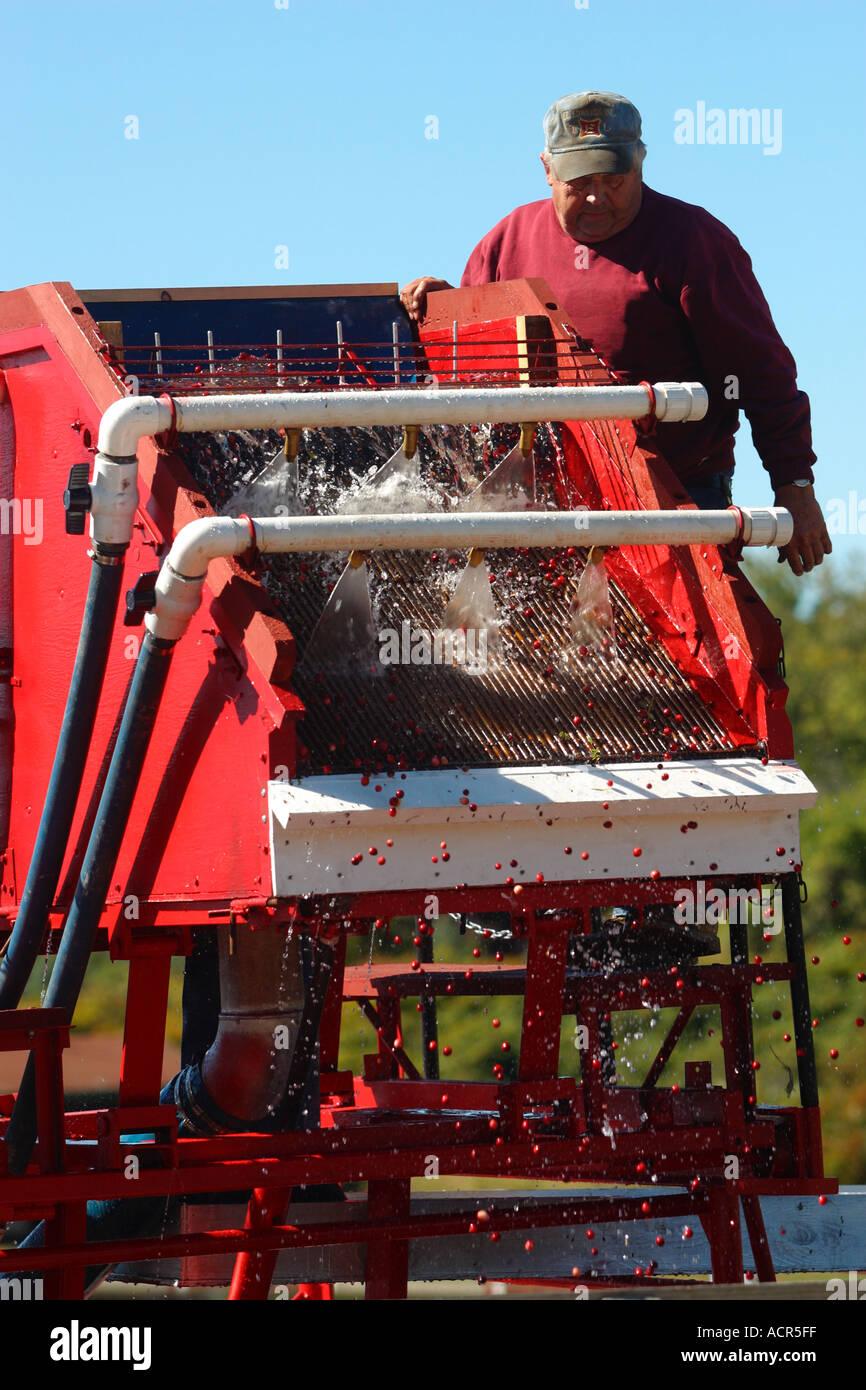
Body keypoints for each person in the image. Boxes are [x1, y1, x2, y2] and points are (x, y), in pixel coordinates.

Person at [401, 90, 831, 577]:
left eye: (613, 179)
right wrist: (443, 307)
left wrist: (793, 483)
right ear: (547, 170)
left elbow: (760, 371)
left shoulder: (693, 240)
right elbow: (471, 374)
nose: (596, 196)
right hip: (540, 508)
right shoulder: (505, 243)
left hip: (676, 497)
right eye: (579, 181)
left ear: (640, 164)